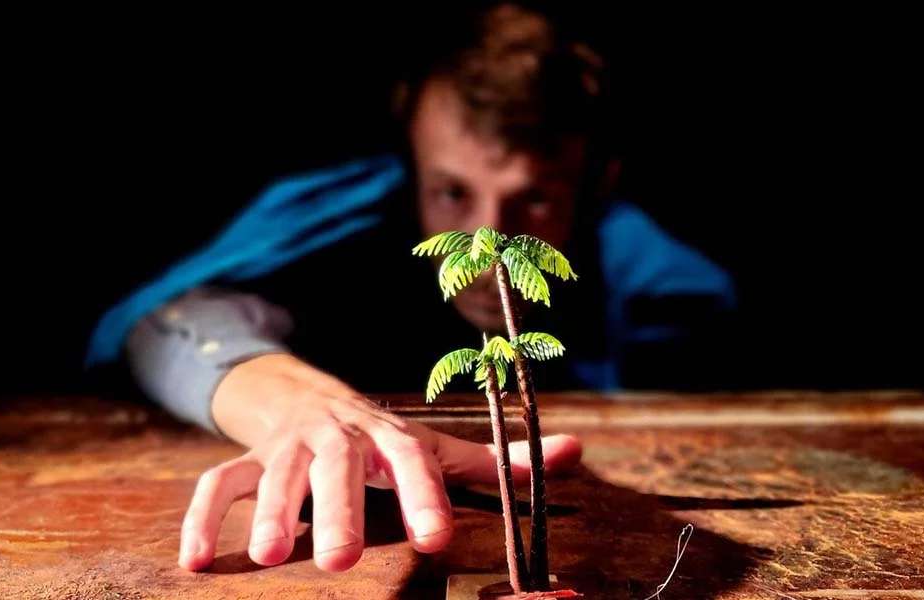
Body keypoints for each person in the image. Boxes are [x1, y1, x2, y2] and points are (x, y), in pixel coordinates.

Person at [87, 3, 734, 573]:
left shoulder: (669, 293)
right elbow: (171, 319)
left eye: (534, 199)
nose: (487, 243)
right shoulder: (339, 224)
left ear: (595, 185)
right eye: (452, 192)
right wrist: (289, 403)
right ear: (412, 164)